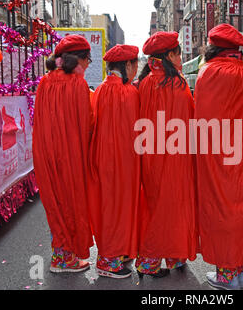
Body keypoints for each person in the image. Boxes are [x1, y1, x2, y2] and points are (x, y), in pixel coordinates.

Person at [194, 24, 243, 290]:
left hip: (216, 155)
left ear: (212, 47)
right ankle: (240, 270)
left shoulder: (208, 72)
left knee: (219, 208)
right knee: (241, 205)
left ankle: (226, 275)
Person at [136, 31, 197, 278]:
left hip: (150, 157)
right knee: (174, 207)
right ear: (170, 55)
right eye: (179, 53)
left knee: (155, 206)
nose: (181, 57)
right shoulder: (179, 85)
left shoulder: (145, 84)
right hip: (176, 158)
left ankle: (168, 256)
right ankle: (157, 258)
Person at [32, 35, 93, 272]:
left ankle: (60, 255)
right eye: (87, 59)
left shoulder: (44, 82)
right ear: (76, 59)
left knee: (55, 202)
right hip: (70, 152)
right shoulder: (78, 84)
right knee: (70, 202)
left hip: (46, 151)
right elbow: (86, 123)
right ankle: (65, 259)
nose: (88, 64)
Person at [89, 45, 141, 279]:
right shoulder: (128, 92)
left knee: (107, 206)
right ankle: (108, 260)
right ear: (128, 65)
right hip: (123, 160)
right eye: (135, 64)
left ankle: (113, 253)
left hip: (101, 157)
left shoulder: (99, 90)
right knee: (119, 207)